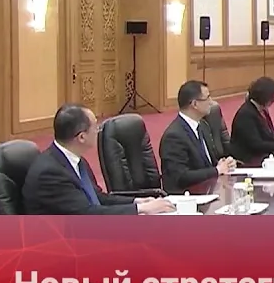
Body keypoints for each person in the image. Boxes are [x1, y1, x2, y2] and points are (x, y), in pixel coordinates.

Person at [23, 104, 175, 216]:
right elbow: (87, 214)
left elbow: (97, 198)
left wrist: (136, 202)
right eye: (95, 127)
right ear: (81, 137)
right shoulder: (50, 173)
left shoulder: (75, 159)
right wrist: (140, 210)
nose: (98, 131)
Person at [159, 80, 237, 192]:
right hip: (187, 195)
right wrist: (216, 170)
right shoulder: (174, 136)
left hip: (207, 189)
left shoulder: (203, 126)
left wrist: (223, 164)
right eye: (207, 98)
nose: (211, 102)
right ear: (194, 104)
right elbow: (181, 176)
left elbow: (208, 163)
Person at [230, 76, 274, 164]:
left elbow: (269, 136)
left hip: (263, 156)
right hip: (249, 160)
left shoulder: (261, 111)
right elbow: (256, 145)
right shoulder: (246, 115)